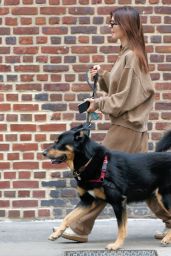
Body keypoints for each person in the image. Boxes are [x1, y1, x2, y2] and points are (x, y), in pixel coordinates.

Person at [61, 6, 171, 243]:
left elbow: (126, 98)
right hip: (131, 128)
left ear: (126, 26)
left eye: (113, 23)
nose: (110, 27)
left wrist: (97, 103)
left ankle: (80, 228)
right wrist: (102, 76)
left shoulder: (132, 56)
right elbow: (120, 88)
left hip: (127, 128)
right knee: (147, 180)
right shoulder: (127, 54)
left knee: (99, 175)